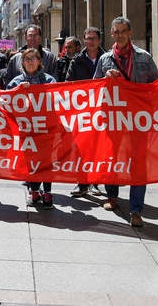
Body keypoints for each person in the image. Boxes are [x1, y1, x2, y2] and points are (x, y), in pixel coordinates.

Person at [93, 16, 158, 228]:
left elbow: (156, 87)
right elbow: (94, 88)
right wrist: (105, 80)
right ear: (112, 34)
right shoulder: (104, 60)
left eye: (123, 31)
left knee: (138, 166)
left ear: (130, 33)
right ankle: (112, 198)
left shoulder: (144, 57)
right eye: (116, 31)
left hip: (138, 122)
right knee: (112, 159)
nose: (120, 35)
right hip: (115, 121)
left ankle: (135, 210)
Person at [7, 47, 57, 209]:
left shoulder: (49, 80)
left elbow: (57, 99)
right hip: (26, 130)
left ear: (39, 61)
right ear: (22, 62)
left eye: (32, 58)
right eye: (26, 59)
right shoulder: (16, 82)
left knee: (46, 161)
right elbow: (6, 100)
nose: (29, 62)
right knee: (32, 161)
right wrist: (18, 91)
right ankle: (34, 191)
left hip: (45, 129)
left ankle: (48, 193)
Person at [68, 27, 107, 197]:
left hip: (102, 111)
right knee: (81, 148)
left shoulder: (108, 59)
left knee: (100, 148)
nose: (90, 42)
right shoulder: (76, 61)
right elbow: (68, 83)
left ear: (99, 40)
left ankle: (96, 183)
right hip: (82, 112)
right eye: (87, 38)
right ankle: (82, 183)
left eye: (93, 38)